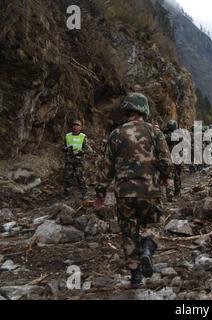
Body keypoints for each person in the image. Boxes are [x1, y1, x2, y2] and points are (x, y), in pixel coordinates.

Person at [94, 93, 172, 287]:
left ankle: (135, 276)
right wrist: (163, 178)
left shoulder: (115, 134)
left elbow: (106, 169)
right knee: (155, 223)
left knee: (129, 233)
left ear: (127, 110)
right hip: (149, 191)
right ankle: (147, 248)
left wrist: (100, 194)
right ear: (144, 110)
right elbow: (166, 162)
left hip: (124, 193)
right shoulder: (155, 133)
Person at [63, 119, 91, 200]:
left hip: (79, 161)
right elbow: (63, 146)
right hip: (69, 160)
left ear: (80, 127)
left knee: (80, 177)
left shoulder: (83, 136)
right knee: (68, 177)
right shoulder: (67, 136)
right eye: (74, 125)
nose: (75, 127)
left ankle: (84, 193)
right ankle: (66, 193)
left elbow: (87, 149)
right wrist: (66, 149)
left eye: (77, 125)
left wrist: (79, 152)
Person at [163, 120, 182, 201]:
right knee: (177, 175)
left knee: (169, 175)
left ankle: (169, 193)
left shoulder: (165, 135)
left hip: (167, 157)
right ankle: (177, 192)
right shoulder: (178, 136)